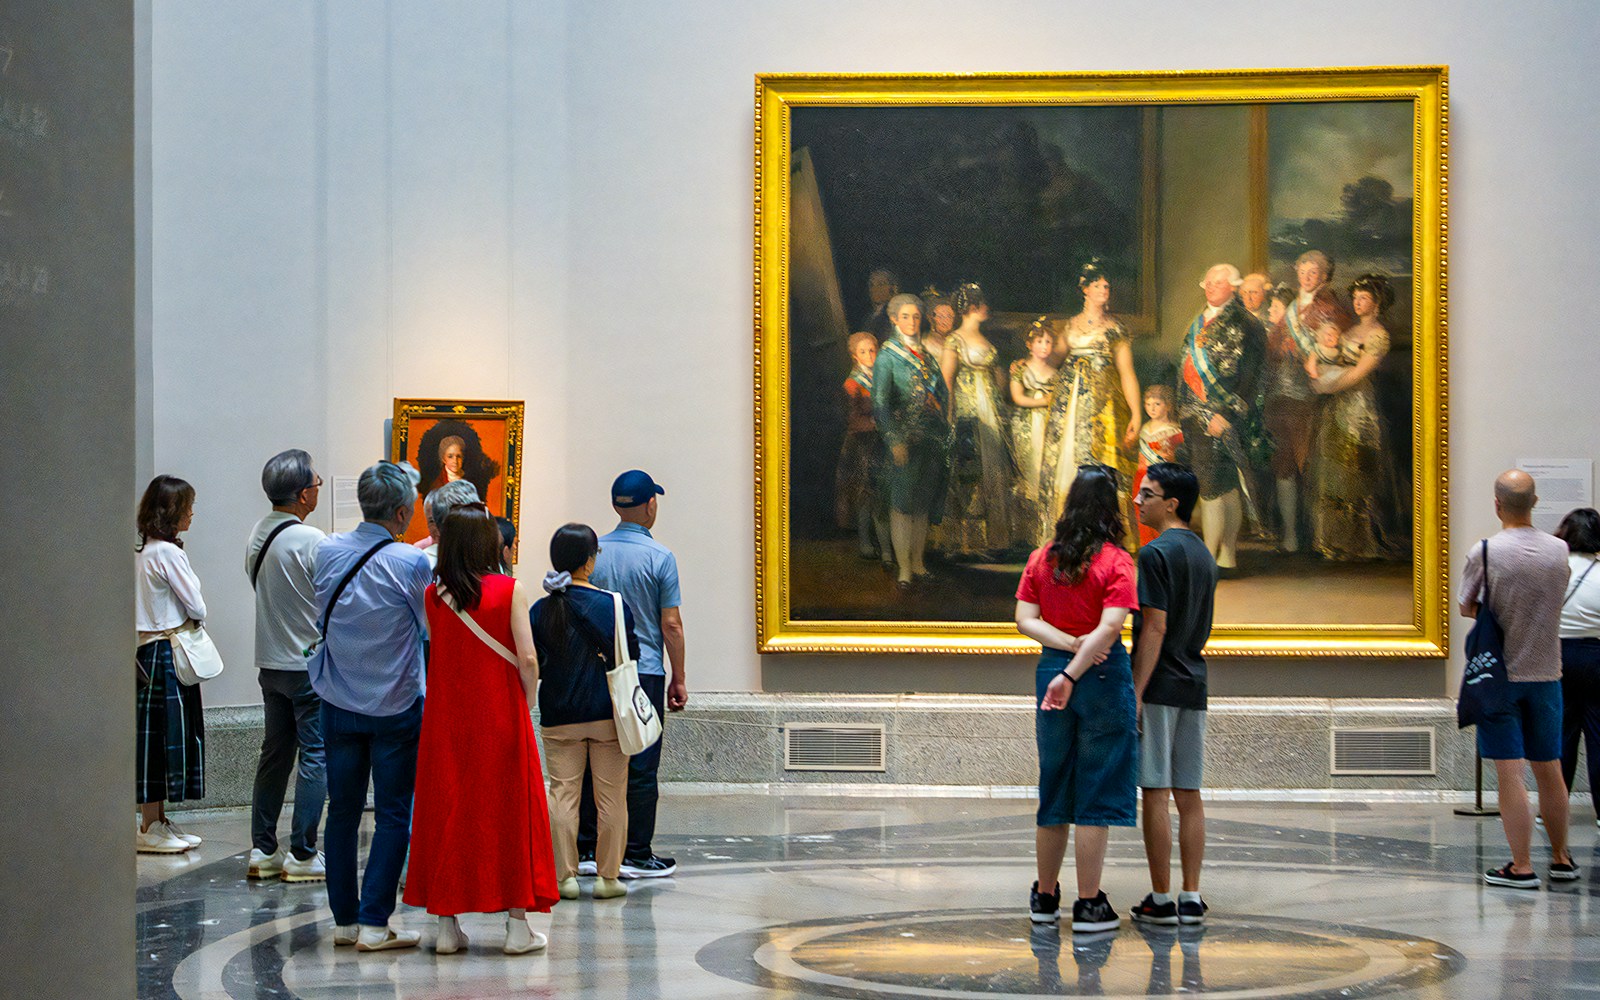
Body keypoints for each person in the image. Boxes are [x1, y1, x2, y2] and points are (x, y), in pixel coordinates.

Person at [405, 504, 558, 954]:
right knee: (510, 811)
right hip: (500, 715)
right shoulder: (509, 590)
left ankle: (447, 927)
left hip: (446, 720)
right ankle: (516, 927)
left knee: (448, 810)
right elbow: (527, 658)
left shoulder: (434, 596)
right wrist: (527, 699)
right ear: (488, 542)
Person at [308, 461, 433, 950]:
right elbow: (426, 626)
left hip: (337, 700)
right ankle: (375, 922)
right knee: (394, 813)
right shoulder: (410, 563)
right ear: (403, 512)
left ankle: (343, 921)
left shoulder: (326, 551)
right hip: (395, 704)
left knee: (341, 811)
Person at [1015, 464, 1139, 933]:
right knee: (1097, 789)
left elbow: (1025, 619)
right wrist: (1078, 661)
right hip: (1100, 675)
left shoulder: (1042, 557)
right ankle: (1089, 905)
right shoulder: (1117, 561)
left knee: (1055, 784)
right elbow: (1110, 627)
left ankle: (1044, 897)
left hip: (1052, 669)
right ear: (1113, 508)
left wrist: (1065, 649)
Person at [1459, 470, 1579, 888]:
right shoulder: (1559, 550)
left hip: (1500, 676)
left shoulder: (1486, 551)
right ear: (1535, 502)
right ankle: (1562, 859)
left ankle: (1521, 865)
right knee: (1551, 769)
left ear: (1497, 505)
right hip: (1547, 673)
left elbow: (1466, 605)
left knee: (1510, 774)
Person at [576, 470, 686, 879]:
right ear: (649, 505)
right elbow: (670, 625)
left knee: (594, 758)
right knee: (641, 763)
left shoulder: (594, 553)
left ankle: (588, 849)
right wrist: (680, 676)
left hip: (598, 670)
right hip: (645, 674)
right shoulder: (660, 558)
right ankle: (636, 853)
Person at [1127, 462, 1218, 927]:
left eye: (1147, 493)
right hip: (1195, 680)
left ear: (1171, 504)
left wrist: (1136, 691)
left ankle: (1161, 898)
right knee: (1190, 794)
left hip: (1160, 683)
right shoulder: (1203, 554)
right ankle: (1192, 894)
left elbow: (1155, 626)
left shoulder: (1154, 554)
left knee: (1156, 793)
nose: (1137, 500)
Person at [536, 523, 640, 901]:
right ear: (590, 561)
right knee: (612, 797)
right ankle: (607, 878)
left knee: (564, 795)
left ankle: (564, 878)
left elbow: (536, 661)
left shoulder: (541, 609)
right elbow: (632, 654)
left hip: (559, 715)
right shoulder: (613, 605)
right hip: (608, 714)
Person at [243, 449, 327, 882]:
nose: (318, 489)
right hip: (308, 665)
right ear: (301, 495)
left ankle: (262, 850)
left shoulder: (258, 533)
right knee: (316, 754)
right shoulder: (312, 541)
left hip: (270, 662)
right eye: (316, 484)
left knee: (274, 754)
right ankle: (303, 853)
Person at [1039, 261, 1141, 549]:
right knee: (1069, 461)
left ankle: (1102, 533)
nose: (1104, 291)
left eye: (1107, 286)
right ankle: (1070, 530)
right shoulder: (1070, 325)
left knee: (1102, 465)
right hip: (1069, 407)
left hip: (1104, 408)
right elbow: (1052, 362)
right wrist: (1027, 366)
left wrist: (1135, 413)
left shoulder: (1116, 329)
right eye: (1097, 286)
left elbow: (1127, 373)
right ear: (1084, 290)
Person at [1176, 264, 1267, 571]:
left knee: (1215, 485)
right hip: (1193, 414)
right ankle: (1226, 557)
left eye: (1218, 282)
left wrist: (1226, 414)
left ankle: (1209, 557)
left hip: (1224, 416)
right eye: (1208, 282)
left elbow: (1251, 377)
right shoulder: (1197, 321)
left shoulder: (1247, 324)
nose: (1210, 287)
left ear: (1233, 287)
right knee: (1220, 485)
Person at [135, 475, 208, 855]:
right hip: (168, 652)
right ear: (171, 511)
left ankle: (155, 820)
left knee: (154, 740)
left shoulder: (144, 550)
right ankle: (150, 825)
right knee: (167, 740)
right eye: (187, 507)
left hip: (146, 652)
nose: (192, 514)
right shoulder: (169, 554)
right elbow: (197, 606)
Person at [1304, 273, 1395, 561]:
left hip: (1358, 408)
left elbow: (1358, 373)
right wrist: (1315, 371)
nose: (1357, 302)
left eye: (1364, 298)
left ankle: (1358, 543)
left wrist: (1326, 386)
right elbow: (1325, 356)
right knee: (1332, 469)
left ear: (1376, 303)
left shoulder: (1378, 336)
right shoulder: (1347, 332)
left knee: (1354, 467)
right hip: (1336, 406)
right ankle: (1332, 541)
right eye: (1355, 298)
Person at [873, 292, 951, 587]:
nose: (911, 321)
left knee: (922, 504)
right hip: (903, 440)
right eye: (905, 316)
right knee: (902, 503)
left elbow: (942, 392)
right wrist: (894, 440)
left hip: (931, 438)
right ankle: (904, 568)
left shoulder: (928, 357)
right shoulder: (887, 357)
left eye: (916, 316)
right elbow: (879, 404)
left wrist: (939, 407)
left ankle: (918, 563)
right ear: (894, 319)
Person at [1265, 251, 1337, 553]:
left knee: (1309, 463)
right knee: (1283, 464)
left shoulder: (1331, 307)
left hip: (1311, 398)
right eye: (1303, 271)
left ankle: (1316, 537)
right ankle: (1291, 534)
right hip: (1281, 395)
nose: (1307, 277)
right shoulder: (1292, 307)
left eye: (1313, 272)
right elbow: (1274, 349)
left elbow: (1333, 348)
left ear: (1324, 275)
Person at [940, 281, 1014, 556]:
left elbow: (997, 378)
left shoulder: (986, 339)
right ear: (972, 307)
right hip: (968, 413)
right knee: (970, 472)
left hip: (991, 410)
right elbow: (947, 381)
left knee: (995, 469)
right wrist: (948, 417)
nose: (986, 308)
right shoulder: (954, 340)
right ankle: (967, 540)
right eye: (982, 304)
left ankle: (995, 539)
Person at [1555, 508, 1600, 828]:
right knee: (1599, 737)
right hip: (1596, 655)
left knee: (1561, 736)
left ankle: (1554, 808)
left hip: (1558, 656)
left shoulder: (1554, 570)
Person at [835, 332, 889, 564]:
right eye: (863, 352)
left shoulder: (882, 377)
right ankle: (866, 541)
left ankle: (886, 546)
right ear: (854, 356)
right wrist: (876, 421)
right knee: (866, 493)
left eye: (872, 351)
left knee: (883, 493)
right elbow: (853, 418)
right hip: (862, 442)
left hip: (882, 440)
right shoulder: (852, 383)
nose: (869, 356)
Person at [1009, 319, 1059, 537]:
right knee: (1028, 471)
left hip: (1049, 426)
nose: (1044, 346)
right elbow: (1018, 398)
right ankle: (1023, 531)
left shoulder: (1055, 373)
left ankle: (1044, 530)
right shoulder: (1020, 369)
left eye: (1048, 342)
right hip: (1026, 426)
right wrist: (1044, 401)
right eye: (1039, 341)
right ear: (1029, 344)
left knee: (1047, 473)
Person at [1133, 387, 1183, 547]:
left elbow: (1182, 457)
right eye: (1147, 404)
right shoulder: (1143, 428)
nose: (1151, 408)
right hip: (1141, 478)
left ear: (1168, 406)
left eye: (1157, 404)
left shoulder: (1175, 430)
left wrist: (1172, 457)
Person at [415, 480, 482, 566]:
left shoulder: (482, 551)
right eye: (432, 521)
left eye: (443, 520)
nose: (438, 528)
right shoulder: (422, 554)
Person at [860, 268, 898, 341]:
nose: (875, 288)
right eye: (871, 285)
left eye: (881, 284)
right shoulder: (869, 317)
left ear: (893, 288)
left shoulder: (895, 313)